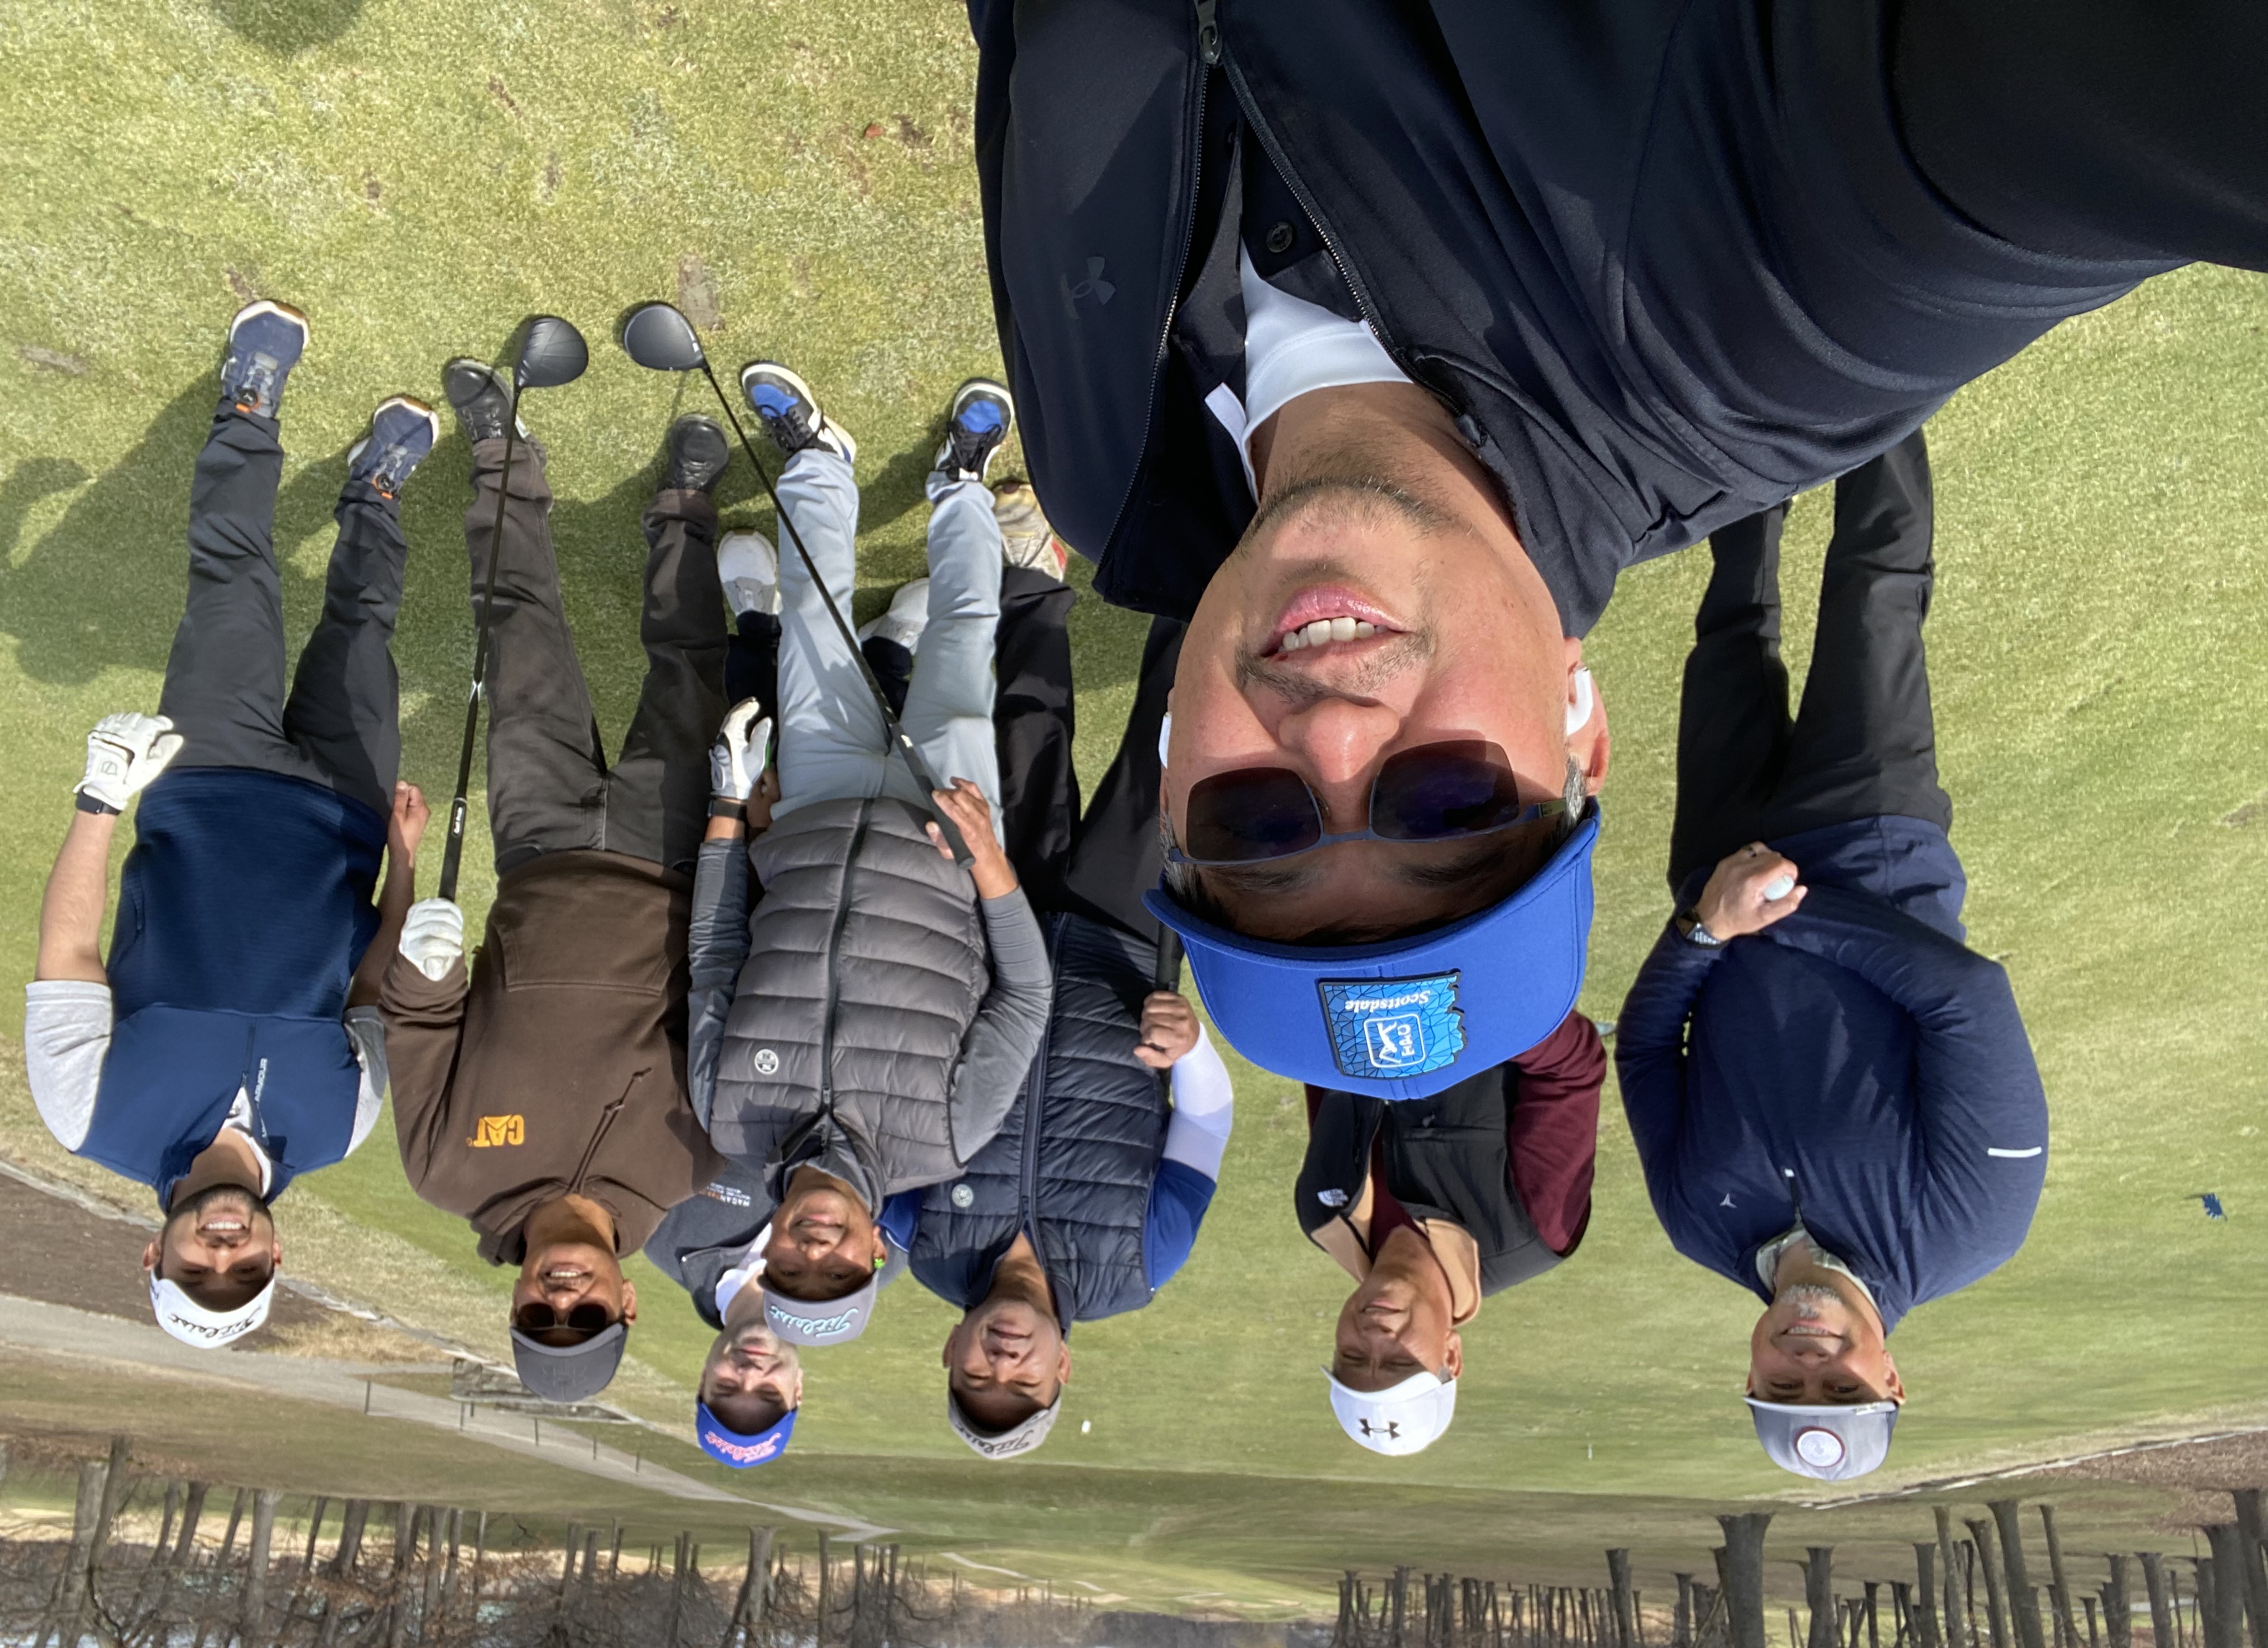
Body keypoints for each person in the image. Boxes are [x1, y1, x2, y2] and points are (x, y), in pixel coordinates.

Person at [964, 0, 2268, 1097]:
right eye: (1450, 806)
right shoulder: (1765, 329)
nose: (1338, 739)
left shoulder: (1107, 481)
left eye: (1254, 826)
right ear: (1581, 728)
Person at [1615, 433, 2048, 1483]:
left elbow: (1640, 1051)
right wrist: (1780, 914)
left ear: (1750, 1375)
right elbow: (1962, 999)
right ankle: (1877, 353)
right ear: (1892, 1377)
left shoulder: (1696, 1227)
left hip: (1716, 867)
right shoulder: (1971, 1226)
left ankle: (1735, 406)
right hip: (1872, 834)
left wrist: (1710, 927)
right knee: (1874, 583)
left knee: (1731, 624)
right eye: (1843, 1386)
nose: (1811, 1363)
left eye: (1786, 1385)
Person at [25, 301, 433, 1350]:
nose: (223, 1247)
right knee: (362, 628)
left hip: (203, 779)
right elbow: (374, 988)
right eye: (242, 1269)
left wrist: (99, 799)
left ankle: (249, 400)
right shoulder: (340, 1128)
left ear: (152, 1253)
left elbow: (69, 948)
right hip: (346, 816)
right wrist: (403, 864)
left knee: (233, 580)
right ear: (275, 1256)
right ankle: (374, 492)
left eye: (200, 1266)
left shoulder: (87, 1116)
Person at [376, 370, 733, 1403]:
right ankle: (684, 509)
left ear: (516, 1303)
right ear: (628, 1303)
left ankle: (501, 459)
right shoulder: (691, 1167)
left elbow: (418, 1028)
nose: (561, 1298)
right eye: (584, 1319)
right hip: (671, 856)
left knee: (520, 634)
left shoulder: (446, 1171)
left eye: (540, 1318)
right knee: (687, 671)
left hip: (534, 851)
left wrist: (430, 964)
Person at [685, 366, 1056, 1354]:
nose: (816, 1250)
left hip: (805, 817)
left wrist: (728, 805)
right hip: (949, 843)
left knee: (812, 633)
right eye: (839, 1271)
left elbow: (715, 958)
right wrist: (989, 864)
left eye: (794, 1272)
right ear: (874, 1256)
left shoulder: (726, 1109)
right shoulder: (947, 1136)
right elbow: (1023, 997)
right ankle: (962, 486)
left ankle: (819, 463)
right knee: (964, 644)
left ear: (764, 1253)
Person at [901, 572, 1236, 1461]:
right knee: (1166, 753)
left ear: (948, 1353)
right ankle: (1200, 578)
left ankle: (1028, 585)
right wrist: (1192, 1049)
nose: (1002, 1364)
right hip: (1125, 946)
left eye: (977, 1378)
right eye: (1023, 1385)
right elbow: (1206, 1125)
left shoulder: (921, 1241)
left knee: (1025, 747)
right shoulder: (1139, 1268)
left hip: (996, 941)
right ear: (1062, 1373)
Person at [1299, 1012, 1602, 1457]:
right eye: (1401, 1361)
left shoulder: (1323, 1216)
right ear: (1452, 1356)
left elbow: (1321, 1062)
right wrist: (1456, 1009)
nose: (1375, 1336)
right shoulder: (1534, 1231)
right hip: (1475, 963)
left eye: (1352, 1357)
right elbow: (1572, 1066)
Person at [643, 1169, 917, 1469]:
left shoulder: (663, 1236)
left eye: (726, 1387)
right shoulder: (871, 1274)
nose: (749, 1374)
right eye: (769, 1393)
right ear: (797, 1389)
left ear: (704, 1378)